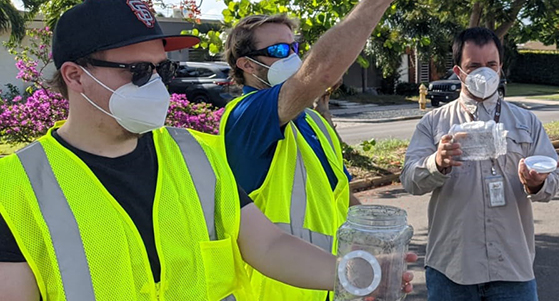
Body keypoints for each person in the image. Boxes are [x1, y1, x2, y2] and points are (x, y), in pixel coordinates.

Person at [0, 1, 413, 299]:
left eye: (164, 70)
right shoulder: (16, 189)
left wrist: (351, 271)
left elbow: (265, 245)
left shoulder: (196, 155)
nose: (157, 85)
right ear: (75, 75)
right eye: (140, 71)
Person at [218, 3, 391, 298]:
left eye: (294, 47)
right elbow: (321, 72)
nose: (294, 57)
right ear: (246, 65)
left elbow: (339, 193)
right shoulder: (245, 116)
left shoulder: (312, 121)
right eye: (279, 51)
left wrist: (375, 242)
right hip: (278, 290)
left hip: (331, 283)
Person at [400, 27, 559, 301]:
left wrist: (538, 183)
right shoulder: (434, 123)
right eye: (473, 66)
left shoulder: (527, 122)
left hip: (512, 270)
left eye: (491, 64)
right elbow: (409, 179)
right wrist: (437, 163)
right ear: (458, 71)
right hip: (452, 270)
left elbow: (553, 182)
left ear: (500, 68)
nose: (484, 73)